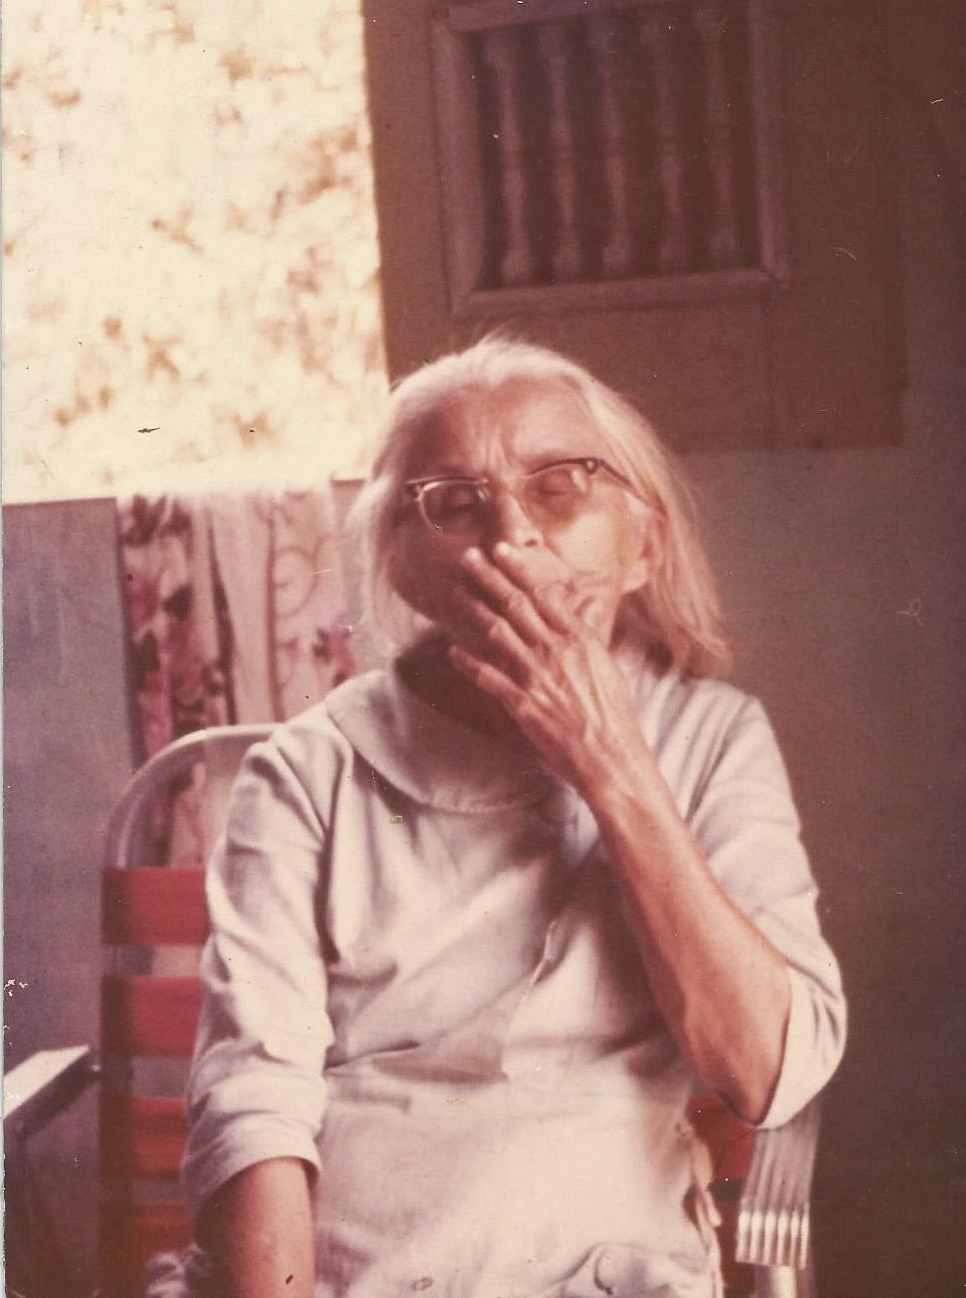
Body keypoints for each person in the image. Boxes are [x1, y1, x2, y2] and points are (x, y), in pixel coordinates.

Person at [162, 337, 846, 1298]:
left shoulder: (714, 737)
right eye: (454, 503)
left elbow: (770, 1071)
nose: (511, 537)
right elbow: (254, 1101)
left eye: (560, 486)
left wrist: (610, 762)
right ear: (401, 564)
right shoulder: (306, 770)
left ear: (642, 545)